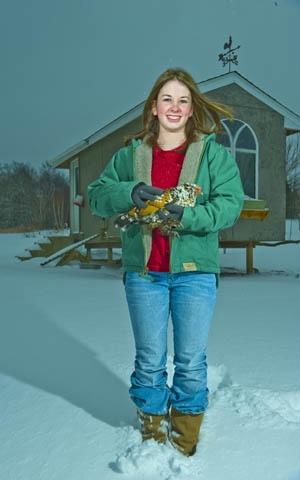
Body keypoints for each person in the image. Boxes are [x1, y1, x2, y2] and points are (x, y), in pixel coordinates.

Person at [88, 67, 244, 456]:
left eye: (183, 100)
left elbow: (229, 206)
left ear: (191, 110)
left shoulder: (213, 155)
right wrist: (131, 191)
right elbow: (96, 195)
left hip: (195, 275)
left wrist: (184, 215)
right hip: (145, 274)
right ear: (154, 108)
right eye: (167, 99)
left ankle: (186, 429)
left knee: (191, 358)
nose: (175, 107)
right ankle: (152, 425)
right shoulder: (130, 155)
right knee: (149, 357)